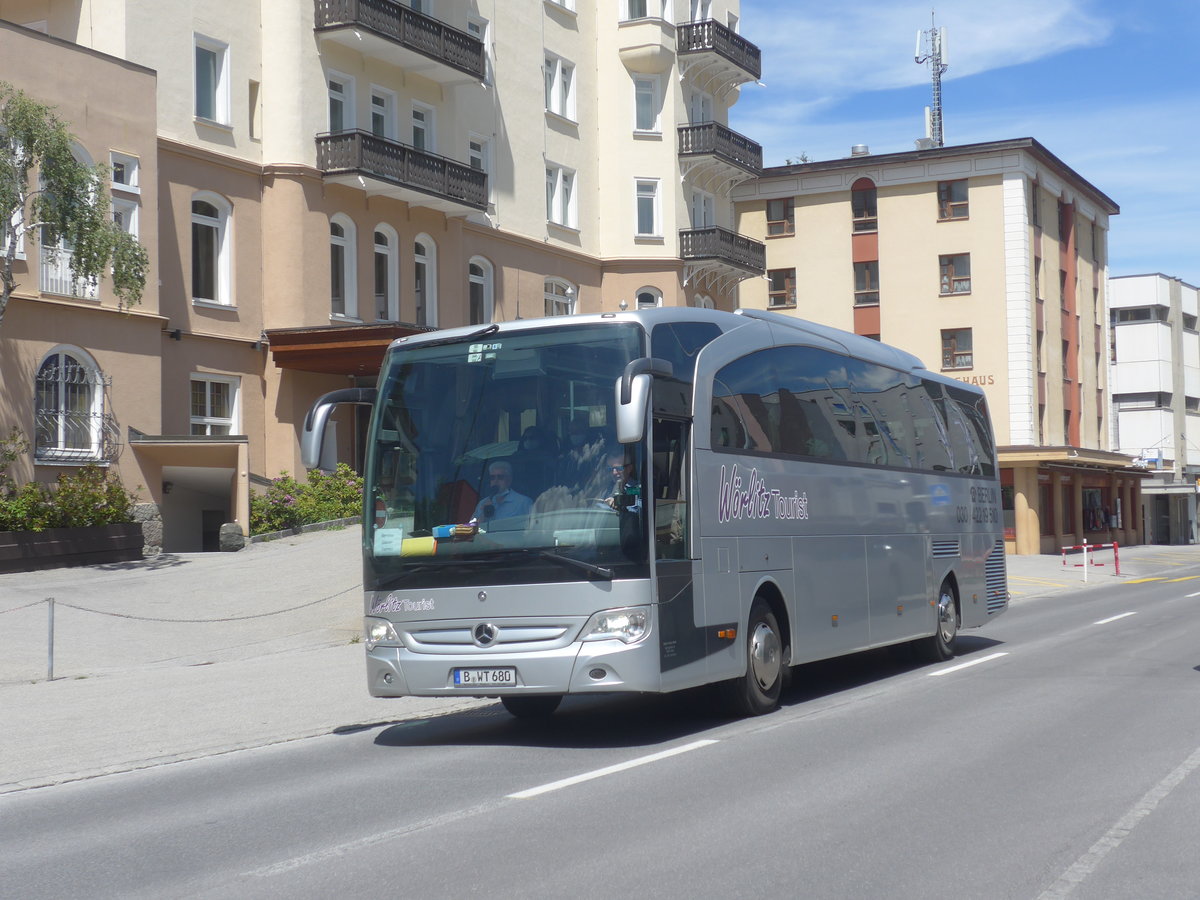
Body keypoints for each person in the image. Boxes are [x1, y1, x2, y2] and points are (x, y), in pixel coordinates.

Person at [471, 460, 532, 524]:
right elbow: (471, 529)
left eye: (500, 477)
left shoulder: (524, 502)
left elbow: (531, 528)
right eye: (492, 477)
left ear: (509, 480)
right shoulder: (482, 503)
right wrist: (483, 514)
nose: (496, 481)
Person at [601, 448, 642, 514]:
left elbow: (639, 512)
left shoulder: (637, 489)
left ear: (629, 468)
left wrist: (620, 504)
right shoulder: (607, 487)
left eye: (619, 468)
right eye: (610, 469)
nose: (614, 472)